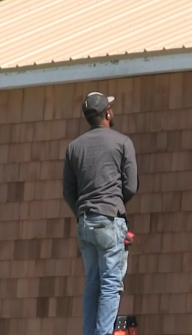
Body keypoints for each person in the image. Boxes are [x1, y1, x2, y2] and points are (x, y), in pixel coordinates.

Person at [63, 92, 138, 335]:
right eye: (110, 108)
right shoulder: (122, 142)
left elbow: (69, 191)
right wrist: (113, 206)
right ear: (107, 113)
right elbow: (131, 186)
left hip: (85, 223)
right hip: (109, 221)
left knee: (93, 284)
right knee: (110, 284)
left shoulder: (73, 148)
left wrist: (84, 211)